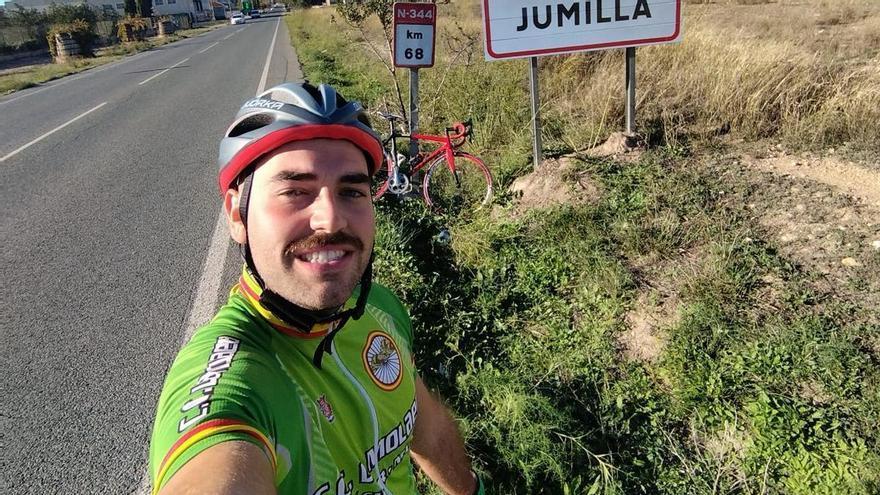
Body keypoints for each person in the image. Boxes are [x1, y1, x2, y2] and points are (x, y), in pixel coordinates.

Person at [148, 82, 483, 495]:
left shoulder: (379, 307)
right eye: (295, 191)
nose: (330, 219)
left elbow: (425, 426)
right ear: (238, 214)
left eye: (351, 191)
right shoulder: (237, 386)